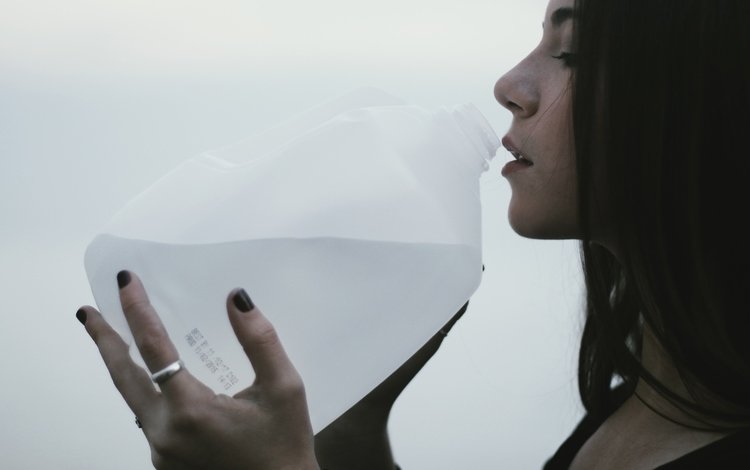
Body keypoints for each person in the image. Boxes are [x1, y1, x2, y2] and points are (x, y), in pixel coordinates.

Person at [75, 0, 750, 468]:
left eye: (569, 51)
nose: (511, 84)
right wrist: (350, 435)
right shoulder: (639, 408)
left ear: (701, 94)